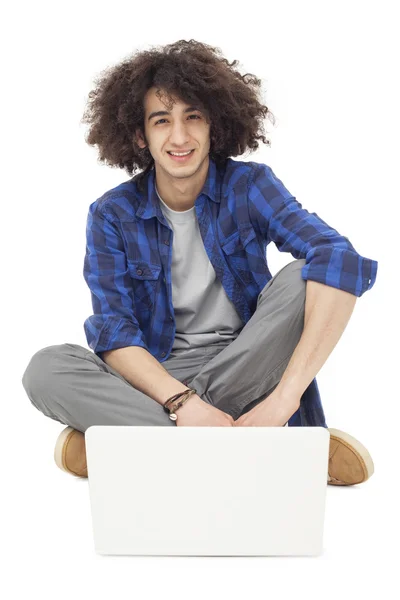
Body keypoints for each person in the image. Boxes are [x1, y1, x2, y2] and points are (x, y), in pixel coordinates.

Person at [21, 39, 377, 485]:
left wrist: (283, 401)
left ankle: (127, 444)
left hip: (248, 366)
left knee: (309, 277)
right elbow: (115, 334)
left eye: (193, 117)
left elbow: (339, 259)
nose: (180, 137)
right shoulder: (111, 214)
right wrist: (184, 404)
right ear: (140, 135)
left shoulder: (250, 185)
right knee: (46, 368)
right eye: (162, 121)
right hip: (160, 379)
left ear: (214, 124)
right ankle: (268, 449)